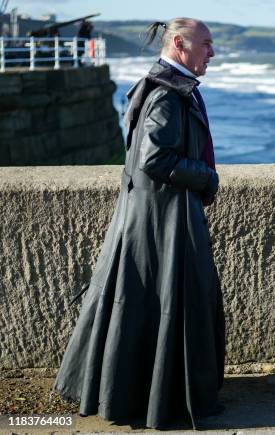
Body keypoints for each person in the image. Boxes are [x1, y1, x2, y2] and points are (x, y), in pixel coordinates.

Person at [52, 17, 225, 430]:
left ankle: (137, 394)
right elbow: (154, 158)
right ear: (180, 44)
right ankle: (155, 400)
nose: (212, 52)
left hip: (157, 215)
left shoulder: (169, 86)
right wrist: (207, 178)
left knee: (145, 306)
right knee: (164, 304)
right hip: (162, 221)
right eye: (206, 44)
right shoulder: (166, 94)